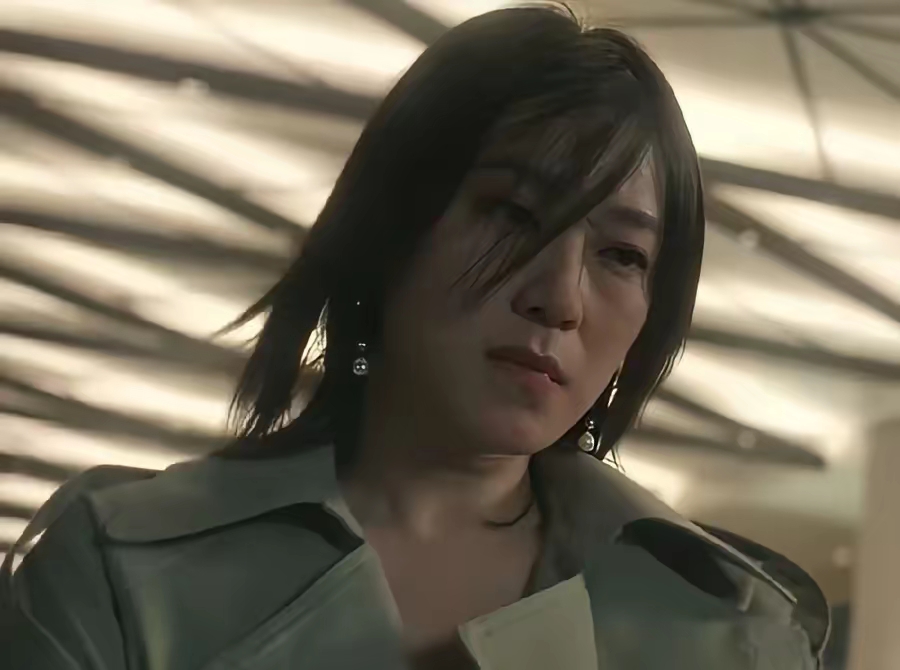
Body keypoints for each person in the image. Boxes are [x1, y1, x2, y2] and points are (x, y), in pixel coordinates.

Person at [1, 5, 828, 669]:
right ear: (387, 227)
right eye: (513, 215)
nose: (560, 299)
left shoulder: (729, 629)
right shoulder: (120, 564)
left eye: (621, 255)